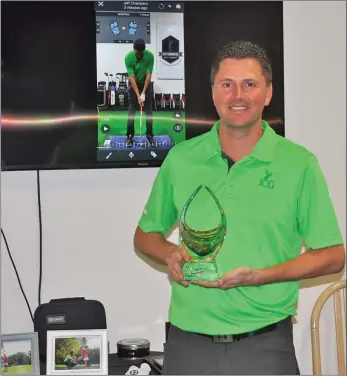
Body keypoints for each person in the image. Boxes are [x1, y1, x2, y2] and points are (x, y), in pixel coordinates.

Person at [133, 40, 346, 375]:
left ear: (268, 93)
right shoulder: (181, 159)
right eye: (227, 85)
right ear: (214, 92)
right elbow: (145, 237)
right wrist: (169, 254)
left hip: (265, 346)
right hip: (187, 344)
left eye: (250, 84)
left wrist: (260, 277)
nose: (238, 95)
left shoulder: (299, 164)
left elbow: (333, 255)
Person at [124, 38, 155, 148]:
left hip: (146, 85)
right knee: (132, 111)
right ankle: (129, 135)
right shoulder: (128, 57)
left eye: (141, 53)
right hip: (134, 86)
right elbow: (131, 78)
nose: (139, 55)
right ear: (134, 50)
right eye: (137, 53)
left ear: (144, 51)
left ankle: (150, 135)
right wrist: (138, 95)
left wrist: (144, 93)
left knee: (148, 112)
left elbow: (148, 76)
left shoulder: (150, 56)